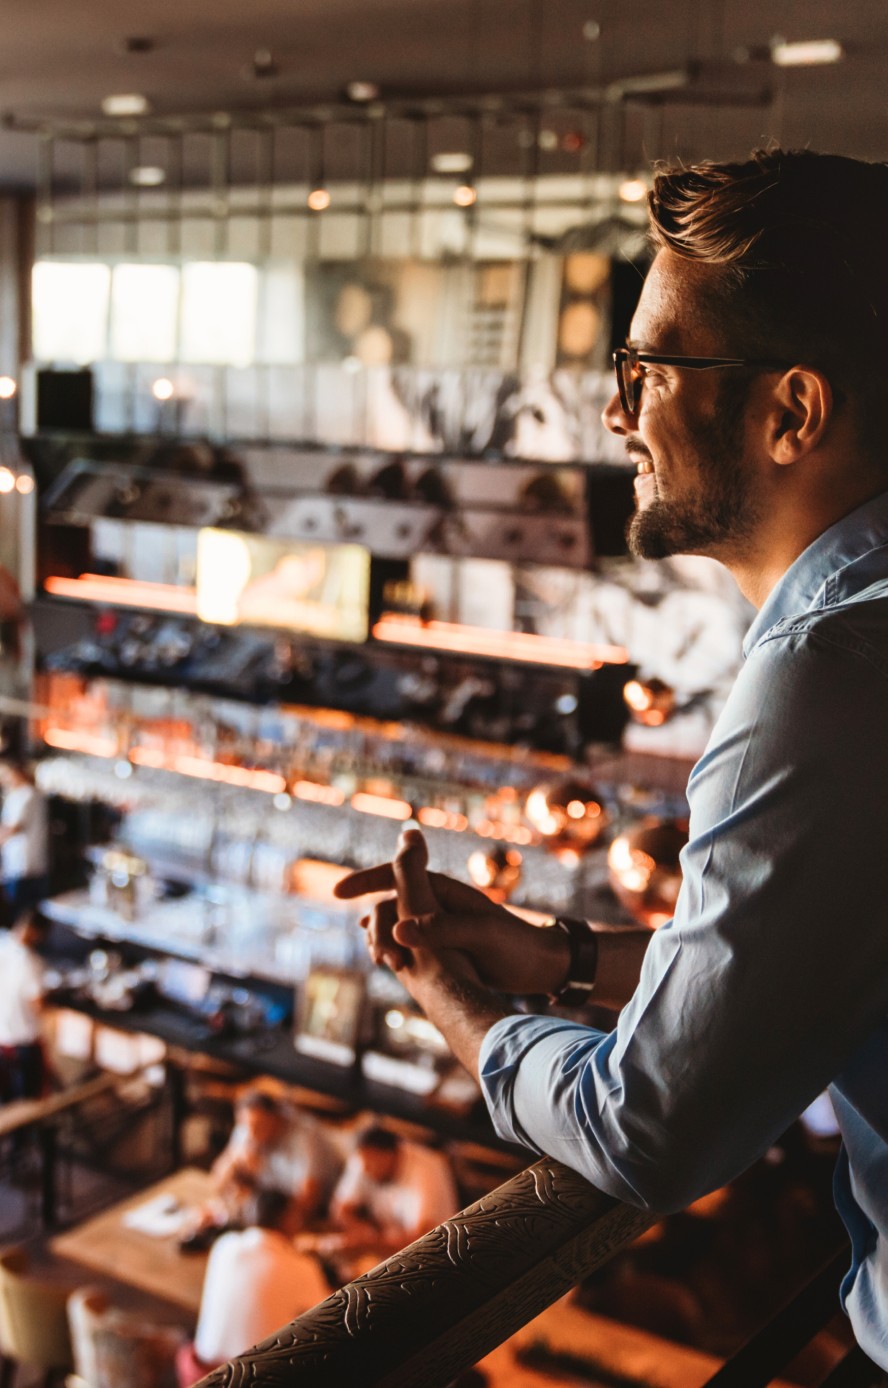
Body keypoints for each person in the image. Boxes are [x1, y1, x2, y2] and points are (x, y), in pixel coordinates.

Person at [335, 148, 888, 1372]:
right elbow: (806, 954)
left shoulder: (833, 672)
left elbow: (652, 1129)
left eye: (647, 364)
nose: (615, 408)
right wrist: (558, 956)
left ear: (790, 410)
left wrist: (468, 1009)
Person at [175, 1186, 330, 1385]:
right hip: (254, 1379)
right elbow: (329, 1319)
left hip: (202, 1376)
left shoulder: (224, 1246)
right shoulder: (301, 1267)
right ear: (289, 1220)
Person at [206, 1087, 341, 1228]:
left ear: (276, 1118)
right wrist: (234, 1160)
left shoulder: (305, 1138)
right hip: (269, 1209)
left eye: (258, 1126)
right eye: (245, 1126)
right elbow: (217, 1182)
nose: (251, 1133)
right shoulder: (249, 1128)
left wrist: (263, 1220)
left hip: (312, 1215)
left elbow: (308, 1202)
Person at [324, 1125, 458, 1262]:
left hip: (434, 1259)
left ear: (390, 1155)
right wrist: (363, 1232)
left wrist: (369, 1246)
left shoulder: (426, 1171)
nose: (365, 1171)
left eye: (371, 1165)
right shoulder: (365, 1157)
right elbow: (339, 1208)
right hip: (387, 1252)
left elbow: (421, 1243)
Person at [0, 913, 48, 1101]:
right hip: (22, 1043)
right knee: (30, 1099)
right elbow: (37, 1005)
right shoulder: (29, 962)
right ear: (36, 933)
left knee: (5, 1100)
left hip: (2, 1040)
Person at [0, 759, 48, 922]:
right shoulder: (19, 795)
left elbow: (14, 828)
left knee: (22, 913)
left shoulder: (28, 794)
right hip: (21, 864)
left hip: (25, 864)